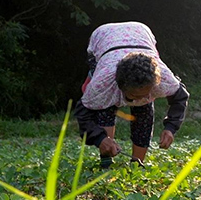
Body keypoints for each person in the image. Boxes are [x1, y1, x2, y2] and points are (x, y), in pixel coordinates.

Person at [72, 21, 190, 168]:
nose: (142, 98)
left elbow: (180, 98)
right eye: (135, 95)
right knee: (104, 106)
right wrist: (100, 138)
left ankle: (137, 164)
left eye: (146, 93)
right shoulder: (103, 82)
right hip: (103, 38)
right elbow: (83, 113)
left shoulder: (163, 77)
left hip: (141, 33)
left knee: (144, 110)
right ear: (120, 86)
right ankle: (106, 159)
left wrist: (171, 128)